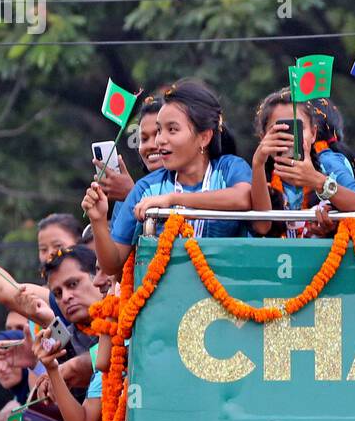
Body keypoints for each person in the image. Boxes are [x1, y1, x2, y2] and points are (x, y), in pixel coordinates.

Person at [87, 79, 253, 276]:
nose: (160, 140)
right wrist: (97, 220)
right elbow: (113, 264)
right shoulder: (146, 188)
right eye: (159, 130)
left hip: (230, 294)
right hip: (167, 300)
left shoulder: (229, 168)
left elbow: (243, 198)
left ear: (204, 137)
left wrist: (173, 200)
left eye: (172, 129)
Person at [250, 92, 355, 237]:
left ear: (313, 134)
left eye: (298, 128)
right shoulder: (260, 172)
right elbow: (262, 227)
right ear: (263, 137)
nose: (290, 136)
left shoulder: (328, 164)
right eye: (280, 129)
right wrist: (257, 164)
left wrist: (318, 181)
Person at [95, 92, 165, 203]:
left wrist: (132, 194)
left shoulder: (194, 187)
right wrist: (98, 218)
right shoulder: (126, 196)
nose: (151, 145)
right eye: (144, 139)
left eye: (158, 134)